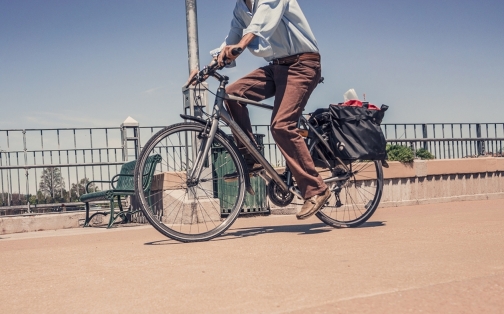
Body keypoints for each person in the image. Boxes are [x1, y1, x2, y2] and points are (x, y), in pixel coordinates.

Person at [212, 0, 330, 220]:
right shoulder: (240, 8)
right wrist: (211, 63)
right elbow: (233, 36)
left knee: (281, 125)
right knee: (233, 94)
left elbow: (261, 23)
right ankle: (250, 158)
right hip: (277, 66)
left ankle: (316, 189)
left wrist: (242, 44)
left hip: (303, 65)